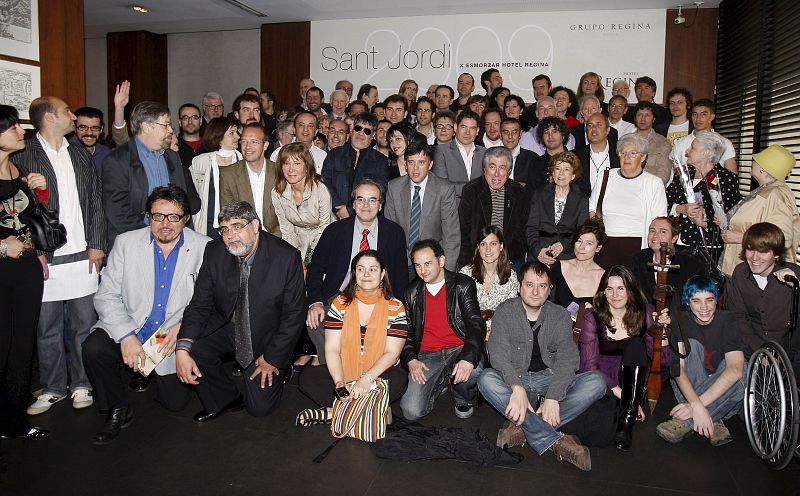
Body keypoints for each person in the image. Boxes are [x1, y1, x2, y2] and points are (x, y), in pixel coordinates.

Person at [82, 186, 209, 444]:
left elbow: (213, 302)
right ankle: (118, 408)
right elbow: (106, 296)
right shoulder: (126, 243)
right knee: (93, 348)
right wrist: (127, 336)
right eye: (157, 216)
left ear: (186, 219)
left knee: (176, 404)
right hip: (132, 324)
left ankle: (146, 371)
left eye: (173, 217)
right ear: (147, 216)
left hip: (168, 335)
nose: (165, 224)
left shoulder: (204, 248)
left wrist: (184, 326)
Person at [15, 96, 106, 417]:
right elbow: (19, 211)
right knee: (47, 327)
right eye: (67, 111)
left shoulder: (80, 153)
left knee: (85, 325)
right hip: (45, 256)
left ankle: (82, 383)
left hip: (82, 254)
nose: (73, 115)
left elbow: (96, 201)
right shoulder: (23, 154)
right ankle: (54, 386)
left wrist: (97, 243)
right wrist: (34, 251)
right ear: (50, 118)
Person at [175, 201, 306, 420]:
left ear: (255, 226)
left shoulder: (285, 257)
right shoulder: (215, 251)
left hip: (267, 336)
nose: (230, 236)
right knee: (194, 347)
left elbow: (294, 316)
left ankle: (285, 368)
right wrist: (182, 347)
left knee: (260, 409)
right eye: (224, 229)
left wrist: (274, 358)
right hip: (229, 325)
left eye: (237, 226)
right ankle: (225, 398)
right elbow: (200, 303)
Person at [478, 261, 607, 471]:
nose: (535, 291)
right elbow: (498, 355)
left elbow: (568, 360)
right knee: (486, 379)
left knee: (597, 382)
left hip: (549, 378)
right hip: (516, 379)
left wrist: (554, 396)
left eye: (542, 286)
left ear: (550, 290)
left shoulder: (560, 315)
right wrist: (516, 387)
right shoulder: (505, 311)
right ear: (519, 287)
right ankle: (555, 440)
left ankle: (524, 426)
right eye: (529, 285)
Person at [296, 250, 408, 425]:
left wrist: (365, 380)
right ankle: (371, 411)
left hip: (377, 375)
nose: (366, 275)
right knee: (307, 378)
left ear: (382, 273)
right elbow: (332, 349)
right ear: (354, 273)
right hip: (346, 371)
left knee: (399, 379)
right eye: (361, 269)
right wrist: (340, 383)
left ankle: (333, 412)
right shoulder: (339, 303)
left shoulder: (396, 307)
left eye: (373, 269)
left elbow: (392, 354)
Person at [305, 180, 408, 366]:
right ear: (353, 204)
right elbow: (315, 269)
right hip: (341, 296)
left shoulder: (394, 233)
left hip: (379, 298)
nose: (366, 206)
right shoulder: (334, 231)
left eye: (372, 200)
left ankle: (365, 368)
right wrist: (316, 302)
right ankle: (337, 366)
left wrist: (395, 311)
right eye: (360, 200)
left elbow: (400, 278)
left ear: (380, 205)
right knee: (315, 321)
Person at [580, 265, 670, 450]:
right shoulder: (593, 316)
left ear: (630, 290)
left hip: (633, 381)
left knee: (635, 345)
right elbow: (588, 366)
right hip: (604, 383)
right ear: (603, 292)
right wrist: (626, 397)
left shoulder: (646, 312)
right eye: (609, 289)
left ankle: (626, 422)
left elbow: (663, 361)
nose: (615, 294)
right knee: (598, 433)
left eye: (621, 288)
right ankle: (627, 409)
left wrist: (664, 333)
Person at [0, 105, 49, 439]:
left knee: (22, 348)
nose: (22, 131)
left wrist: (39, 189)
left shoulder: (18, 170)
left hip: (27, 270)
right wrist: (2, 246)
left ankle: (14, 421)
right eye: (14, 126)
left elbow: (35, 219)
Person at [401, 239, 486, 420]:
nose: (422, 270)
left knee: (475, 370)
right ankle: (441, 381)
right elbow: (406, 332)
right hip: (427, 356)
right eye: (417, 265)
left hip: (458, 348)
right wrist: (411, 359)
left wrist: (468, 358)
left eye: (428, 263)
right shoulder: (411, 292)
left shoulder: (462, 285)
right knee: (410, 411)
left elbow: (475, 323)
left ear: (441, 261)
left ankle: (461, 396)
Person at [656, 276, 745, 447]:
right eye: (696, 301)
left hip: (719, 387)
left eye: (709, 300)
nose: (704, 307)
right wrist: (697, 405)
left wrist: (695, 407)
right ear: (687, 302)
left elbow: (735, 370)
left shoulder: (728, 320)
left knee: (744, 368)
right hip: (690, 383)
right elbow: (679, 370)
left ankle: (686, 422)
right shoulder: (680, 321)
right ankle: (715, 417)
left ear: (716, 300)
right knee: (692, 346)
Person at [102, 101, 200, 250]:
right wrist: (150, 236)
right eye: (165, 125)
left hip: (173, 240)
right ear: (146, 127)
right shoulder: (118, 160)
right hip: (134, 243)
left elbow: (182, 200)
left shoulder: (172, 157)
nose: (170, 130)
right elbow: (117, 211)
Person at [719, 144, 800, 275]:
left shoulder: (776, 195)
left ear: (763, 169)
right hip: (743, 269)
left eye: (756, 161)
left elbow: (783, 238)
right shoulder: (764, 191)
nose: (752, 162)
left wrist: (741, 238)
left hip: (757, 274)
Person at [590, 133, 667, 269]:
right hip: (605, 244)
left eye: (633, 153)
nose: (626, 157)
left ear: (643, 157)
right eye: (623, 153)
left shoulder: (654, 183)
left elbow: (659, 221)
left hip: (638, 246)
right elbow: (592, 210)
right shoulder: (605, 176)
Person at [726, 222, 800, 358]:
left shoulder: (794, 274)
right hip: (752, 346)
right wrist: (761, 349)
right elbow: (738, 317)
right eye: (750, 250)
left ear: (776, 254)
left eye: (763, 252)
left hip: (789, 351)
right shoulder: (740, 273)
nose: (754, 258)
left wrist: (797, 286)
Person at [384, 141, 460, 271]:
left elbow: (451, 235)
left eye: (421, 162)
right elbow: (389, 231)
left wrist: (447, 272)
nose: (415, 169)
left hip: (433, 263)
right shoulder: (394, 187)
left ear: (430, 164)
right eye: (411, 162)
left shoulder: (444, 189)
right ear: (405, 164)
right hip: (401, 261)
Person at [666, 130, 740, 260]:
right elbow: (665, 200)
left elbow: (730, 217)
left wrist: (705, 223)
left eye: (692, 147)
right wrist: (681, 208)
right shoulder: (684, 174)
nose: (686, 151)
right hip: (678, 242)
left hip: (708, 248)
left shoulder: (724, 179)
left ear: (705, 153)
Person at [458, 147, 529, 268]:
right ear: (484, 169)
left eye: (502, 167)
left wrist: (507, 258)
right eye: (492, 167)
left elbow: (522, 231)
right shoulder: (471, 190)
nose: (497, 174)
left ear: (509, 170)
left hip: (509, 258)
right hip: (477, 259)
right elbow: (464, 232)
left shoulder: (518, 192)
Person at [271, 142, 332, 265]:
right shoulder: (277, 192)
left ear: (307, 166)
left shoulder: (320, 190)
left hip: (325, 240)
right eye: (286, 163)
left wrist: (307, 260)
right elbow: (287, 230)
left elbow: (324, 229)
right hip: (298, 240)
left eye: (297, 163)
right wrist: (294, 256)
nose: (291, 169)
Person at [321, 112, 388, 219]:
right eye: (358, 128)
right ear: (352, 130)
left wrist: (349, 210)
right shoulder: (335, 154)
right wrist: (338, 207)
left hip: (364, 216)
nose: (361, 133)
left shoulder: (380, 160)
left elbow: (381, 190)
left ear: (373, 135)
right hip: (332, 214)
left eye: (367, 131)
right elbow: (325, 181)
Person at [527, 152, 588, 266]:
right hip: (540, 252)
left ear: (573, 175)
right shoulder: (540, 194)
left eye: (566, 169)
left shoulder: (582, 199)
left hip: (567, 255)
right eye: (558, 168)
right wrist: (537, 251)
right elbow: (531, 227)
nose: (561, 174)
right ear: (553, 173)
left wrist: (563, 245)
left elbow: (582, 231)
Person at [219, 123, 281, 237]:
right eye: (244, 141)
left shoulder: (280, 172)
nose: (247, 147)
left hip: (278, 238)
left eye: (254, 142)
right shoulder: (228, 175)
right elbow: (229, 217)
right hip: (243, 239)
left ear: (265, 145)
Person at [631, 216, 707, 305]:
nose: (655, 236)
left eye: (662, 232)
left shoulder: (691, 265)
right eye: (652, 231)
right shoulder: (638, 259)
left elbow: (695, 299)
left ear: (674, 238)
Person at [189, 117, 242, 237]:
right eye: (232, 133)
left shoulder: (243, 161)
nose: (238, 137)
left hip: (236, 225)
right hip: (207, 225)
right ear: (219, 136)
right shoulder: (200, 162)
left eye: (237, 133)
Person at [459, 226, 519, 318]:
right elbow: (460, 311)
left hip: (501, 328)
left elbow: (511, 313)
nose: (488, 249)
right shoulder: (465, 274)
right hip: (472, 327)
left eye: (493, 244)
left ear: (501, 246)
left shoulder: (511, 276)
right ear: (478, 247)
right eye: (483, 244)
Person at [549, 218, 607, 311]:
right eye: (579, 241)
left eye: (589, 243)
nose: (581, 247)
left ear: (598, 248)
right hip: (556, 323)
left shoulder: (603, 277)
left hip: (587, 325)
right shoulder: (560, 266)